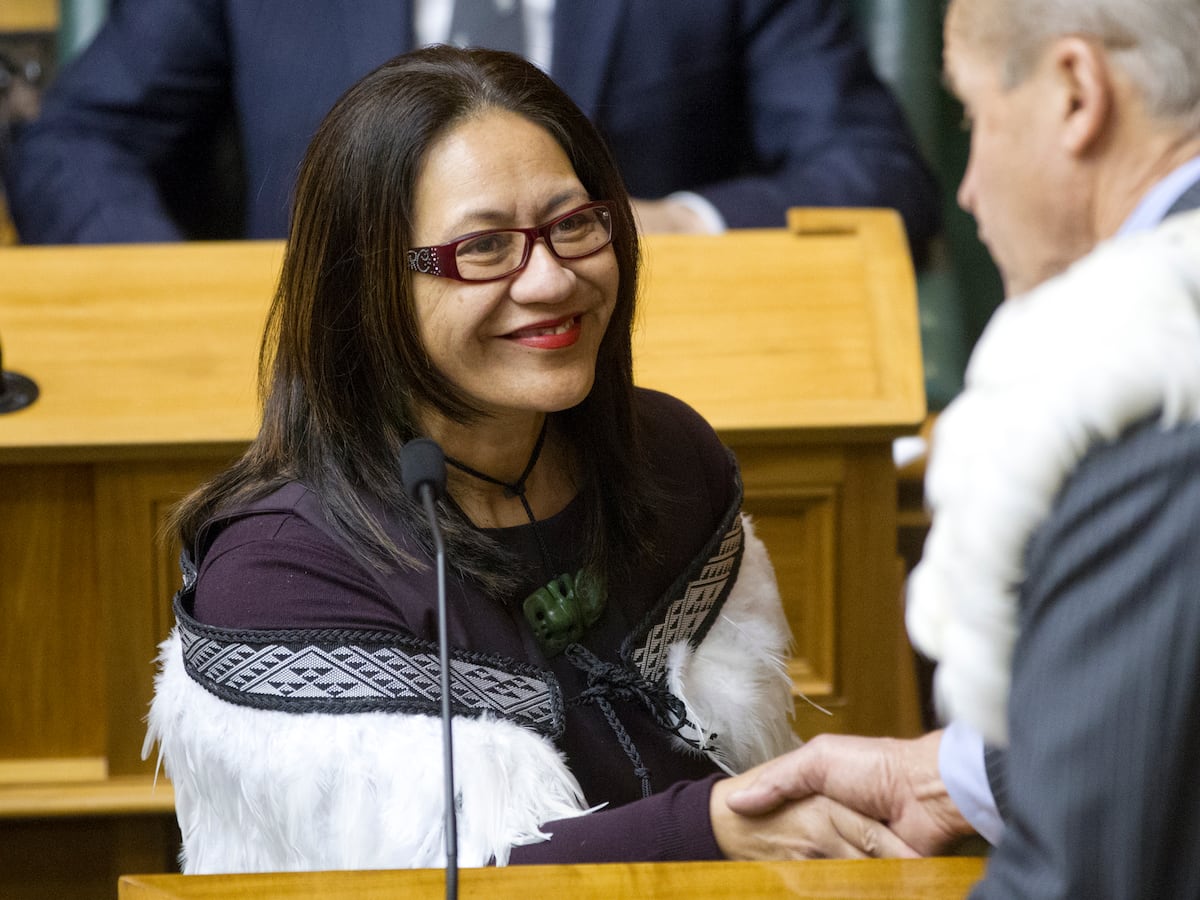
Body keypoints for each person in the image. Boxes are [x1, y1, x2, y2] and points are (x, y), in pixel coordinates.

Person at [142, 45, 918, 873]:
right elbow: (418, 878)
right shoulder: (281, 567)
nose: (551, 280)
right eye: (483, 249)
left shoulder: (672, 460)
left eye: (574, 224)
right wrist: (712, 827)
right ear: (363, 285)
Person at [727, 0, 1200, 896]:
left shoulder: (1141, 381)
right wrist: (953, 776)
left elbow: (1092, 877)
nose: (971, 187)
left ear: (1074, 92)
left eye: (975, 117)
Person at [3, 0, 939, 247]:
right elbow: (75, 146)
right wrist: (187, 303)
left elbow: (876, 170)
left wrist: (680, 224)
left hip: (617, 400)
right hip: (295, 408)